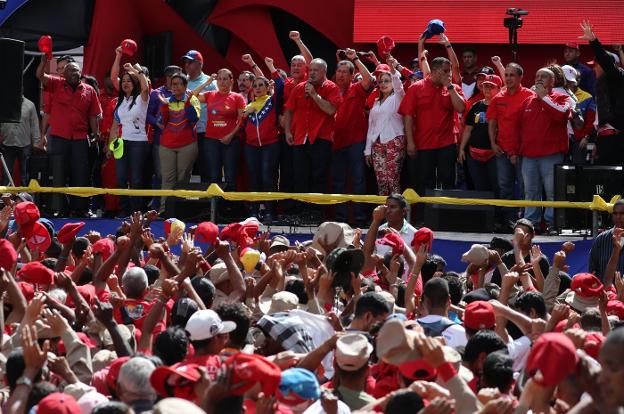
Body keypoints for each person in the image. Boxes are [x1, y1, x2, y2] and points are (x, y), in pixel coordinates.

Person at [36, 56, 102, 217]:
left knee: (81, 173)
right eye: (71, 71)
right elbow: (40, 76)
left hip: (79, 138)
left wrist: (95, 134)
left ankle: (80, 209)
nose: (75, 73)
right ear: (63, 74)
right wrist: (44, 60)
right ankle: (59, 208)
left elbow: (94, 115)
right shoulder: (56, 84)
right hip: (59, 136)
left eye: (77, 71)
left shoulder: (89, 90)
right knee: (58, 173)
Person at [399, 57, 466, 196]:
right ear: (434, 71)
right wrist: (410, 142)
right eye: (446, 71)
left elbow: (461, 108)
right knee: (424, 182)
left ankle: (446, 215)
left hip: (447, 143)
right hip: (424, 143)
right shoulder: (416, 88)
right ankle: (425, 216)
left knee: (448, 180)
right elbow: (408, 116)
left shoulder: (453, 88)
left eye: (450, 71)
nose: (449, 75)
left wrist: (450, 87)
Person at [284, 58, 342, 215]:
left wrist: (315, 95)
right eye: (310, 70)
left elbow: (331, 110)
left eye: (316, 70)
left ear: (324, 72)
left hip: (321, 139)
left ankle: (316, 212)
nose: (312, 73)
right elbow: (289, 110)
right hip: (300, 138)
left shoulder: (331, 88)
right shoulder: (299, 88)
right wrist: (288, 131)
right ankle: (301, 212)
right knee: (300, 176)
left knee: (319, 177)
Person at [519, 68, 572, 234]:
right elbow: (520, 128)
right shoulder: (527, 101)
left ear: (553, 81)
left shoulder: (563, 98)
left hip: (551, 154)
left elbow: (561, 115)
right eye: (537, 76)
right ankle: (530, 225)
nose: (539, 79)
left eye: (544, 77)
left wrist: (543, 97)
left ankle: (552, 224)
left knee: (552, 192)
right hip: (529, 156)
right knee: (530, 193)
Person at [487, 63, 534, 228]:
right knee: (504, 187)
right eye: (506, 75)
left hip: (523, 151)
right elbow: (492, 122)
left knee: (525, 186)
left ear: (521, 77)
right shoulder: (498, 98)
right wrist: (493, 143)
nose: (508, 78)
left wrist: (518, 150)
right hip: (502, 150)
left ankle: (525, 222)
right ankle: (508, 221)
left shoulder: (530, 95)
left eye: (511, 75)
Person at [332, 48, 372, 224]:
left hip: (356, 141)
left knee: (358, 180)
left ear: (351, 75)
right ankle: (340, 218)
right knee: (338, 182)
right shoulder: (330, 91)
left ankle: (360, 218)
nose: (340, 75)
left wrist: (355, 58)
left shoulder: (356, 89)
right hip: (336, 143)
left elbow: (369, 79)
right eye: (338, 71)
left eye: (344, 72)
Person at [242, 57, 284, 224]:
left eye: (261, 85)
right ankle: (254, 212)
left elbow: (280, 85)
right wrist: (245, 113)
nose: (258, 88)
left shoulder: (272, 101)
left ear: (267, 88)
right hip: (251, 146)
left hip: (270, 145)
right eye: (256, 85)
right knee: (254, 178)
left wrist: (269, 66)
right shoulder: (249, 105)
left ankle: (269, 212)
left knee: (268, 178)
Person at [107, 63, 150, 216]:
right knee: (120, 179)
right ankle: (124, 210)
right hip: (122, 144)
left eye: (129, 81)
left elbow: (145, 86)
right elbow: (114, 126)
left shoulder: (141, 98)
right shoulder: (120, 103)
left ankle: (136, 212)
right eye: (123, 80)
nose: (125, 83)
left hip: (139, 143)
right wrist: (110, 146)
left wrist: (136, 69)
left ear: (135, 83)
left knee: (136, 179)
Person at [579, 21, 624, 166]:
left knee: (615, 182)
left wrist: (593, 41)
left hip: (616, 139)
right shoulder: (601, 85)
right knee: (604, 184)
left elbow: (606, 62)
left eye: (597, 65)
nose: (594, 69)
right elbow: (600, 120)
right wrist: (595, 140)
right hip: (604, 139)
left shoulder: (616, 77)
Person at [194, 69, 245, 191]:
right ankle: (215, 208)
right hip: (211, 141)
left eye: (225, 79)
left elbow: (242, 120)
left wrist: (231, 136)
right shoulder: (210, 94)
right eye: (220, 79)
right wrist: (208, 82)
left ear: (231, 81)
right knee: (213, 176)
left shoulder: (238, 97)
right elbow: (192, 96)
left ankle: (231, 208)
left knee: (230, 176)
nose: (222, 82)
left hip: (231, 141)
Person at [158, 73, 201, 213]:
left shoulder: (193, 99)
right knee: (167, 179)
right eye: (173, 84)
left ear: (185, 86)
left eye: (178, 84)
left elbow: (194, 120)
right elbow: (162, 122)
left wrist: (188, 103)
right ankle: (165, 210)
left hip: (187, 145)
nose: (175, 86)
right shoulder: (166, 100)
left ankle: (180, 210)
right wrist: (164, 106)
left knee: (183, 179)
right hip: (167, 145)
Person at [365, 57, 405, 196]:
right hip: (377, 144)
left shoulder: (398, 98)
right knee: (381, 181)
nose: (383, 84)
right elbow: (371, 127)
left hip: (394, 141)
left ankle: (398, 216)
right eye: (380, 81)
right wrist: (367, 150)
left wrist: (392, 69)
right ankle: (383, 215)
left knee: (392, 180)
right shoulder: (376, 102)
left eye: (386, 81)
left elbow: (399, 86)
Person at [146, 65, 183, 211]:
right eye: (169, 76)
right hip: (161, 140)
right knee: (161, 175)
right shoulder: (156, 93)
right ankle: (157, 206)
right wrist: (158, 124)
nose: (172, 79)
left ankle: (176, 206)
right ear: (166, 78)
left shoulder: (186, 93)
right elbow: (148, 115)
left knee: (179, 176)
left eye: (175, 76)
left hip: (181, 141)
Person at [458, 74, 501, 194]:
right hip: (474, 155)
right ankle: (484, 213)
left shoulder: (501, 106)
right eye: (485, 86)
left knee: (497, 187)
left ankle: (497, 213)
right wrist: (461, 149)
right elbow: (468, 129)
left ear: (499, 89)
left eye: (491, 87)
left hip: (494, 155)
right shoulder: (476, 106)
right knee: (479, 188)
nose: (487, 89)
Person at [0, 96, 41, 185]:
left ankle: (24, 197)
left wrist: (36, 142)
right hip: (8, 143)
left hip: (24, 144)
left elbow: (34, 124)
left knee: (25, 174)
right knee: (6, 174)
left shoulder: (30, 105)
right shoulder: (4, 104)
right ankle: (3, 197)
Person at [182, 50, 216, 152]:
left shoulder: (210, 82)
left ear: (199, 64)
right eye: (185, 62)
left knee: (205, 164)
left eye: (190, 62)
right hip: (185, 130)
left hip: (205, 132)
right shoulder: (182, 81)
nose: (186, 65)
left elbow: (217, 105)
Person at [562, 65, 596, 164]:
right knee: (561, 170)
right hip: (562, 141)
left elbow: (591, 120)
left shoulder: (587, 97)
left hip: (579, 140)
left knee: (579, 168)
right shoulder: (556, 94)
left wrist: (586, 137)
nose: (568, 84)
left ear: (577, 81)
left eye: (570, 81)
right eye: (565, 81)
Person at [589, 199, 624, 282]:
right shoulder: (601, 240)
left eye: (622, 213)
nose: (618, 216)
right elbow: (592, 271)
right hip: (604, 293)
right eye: (615, 213)